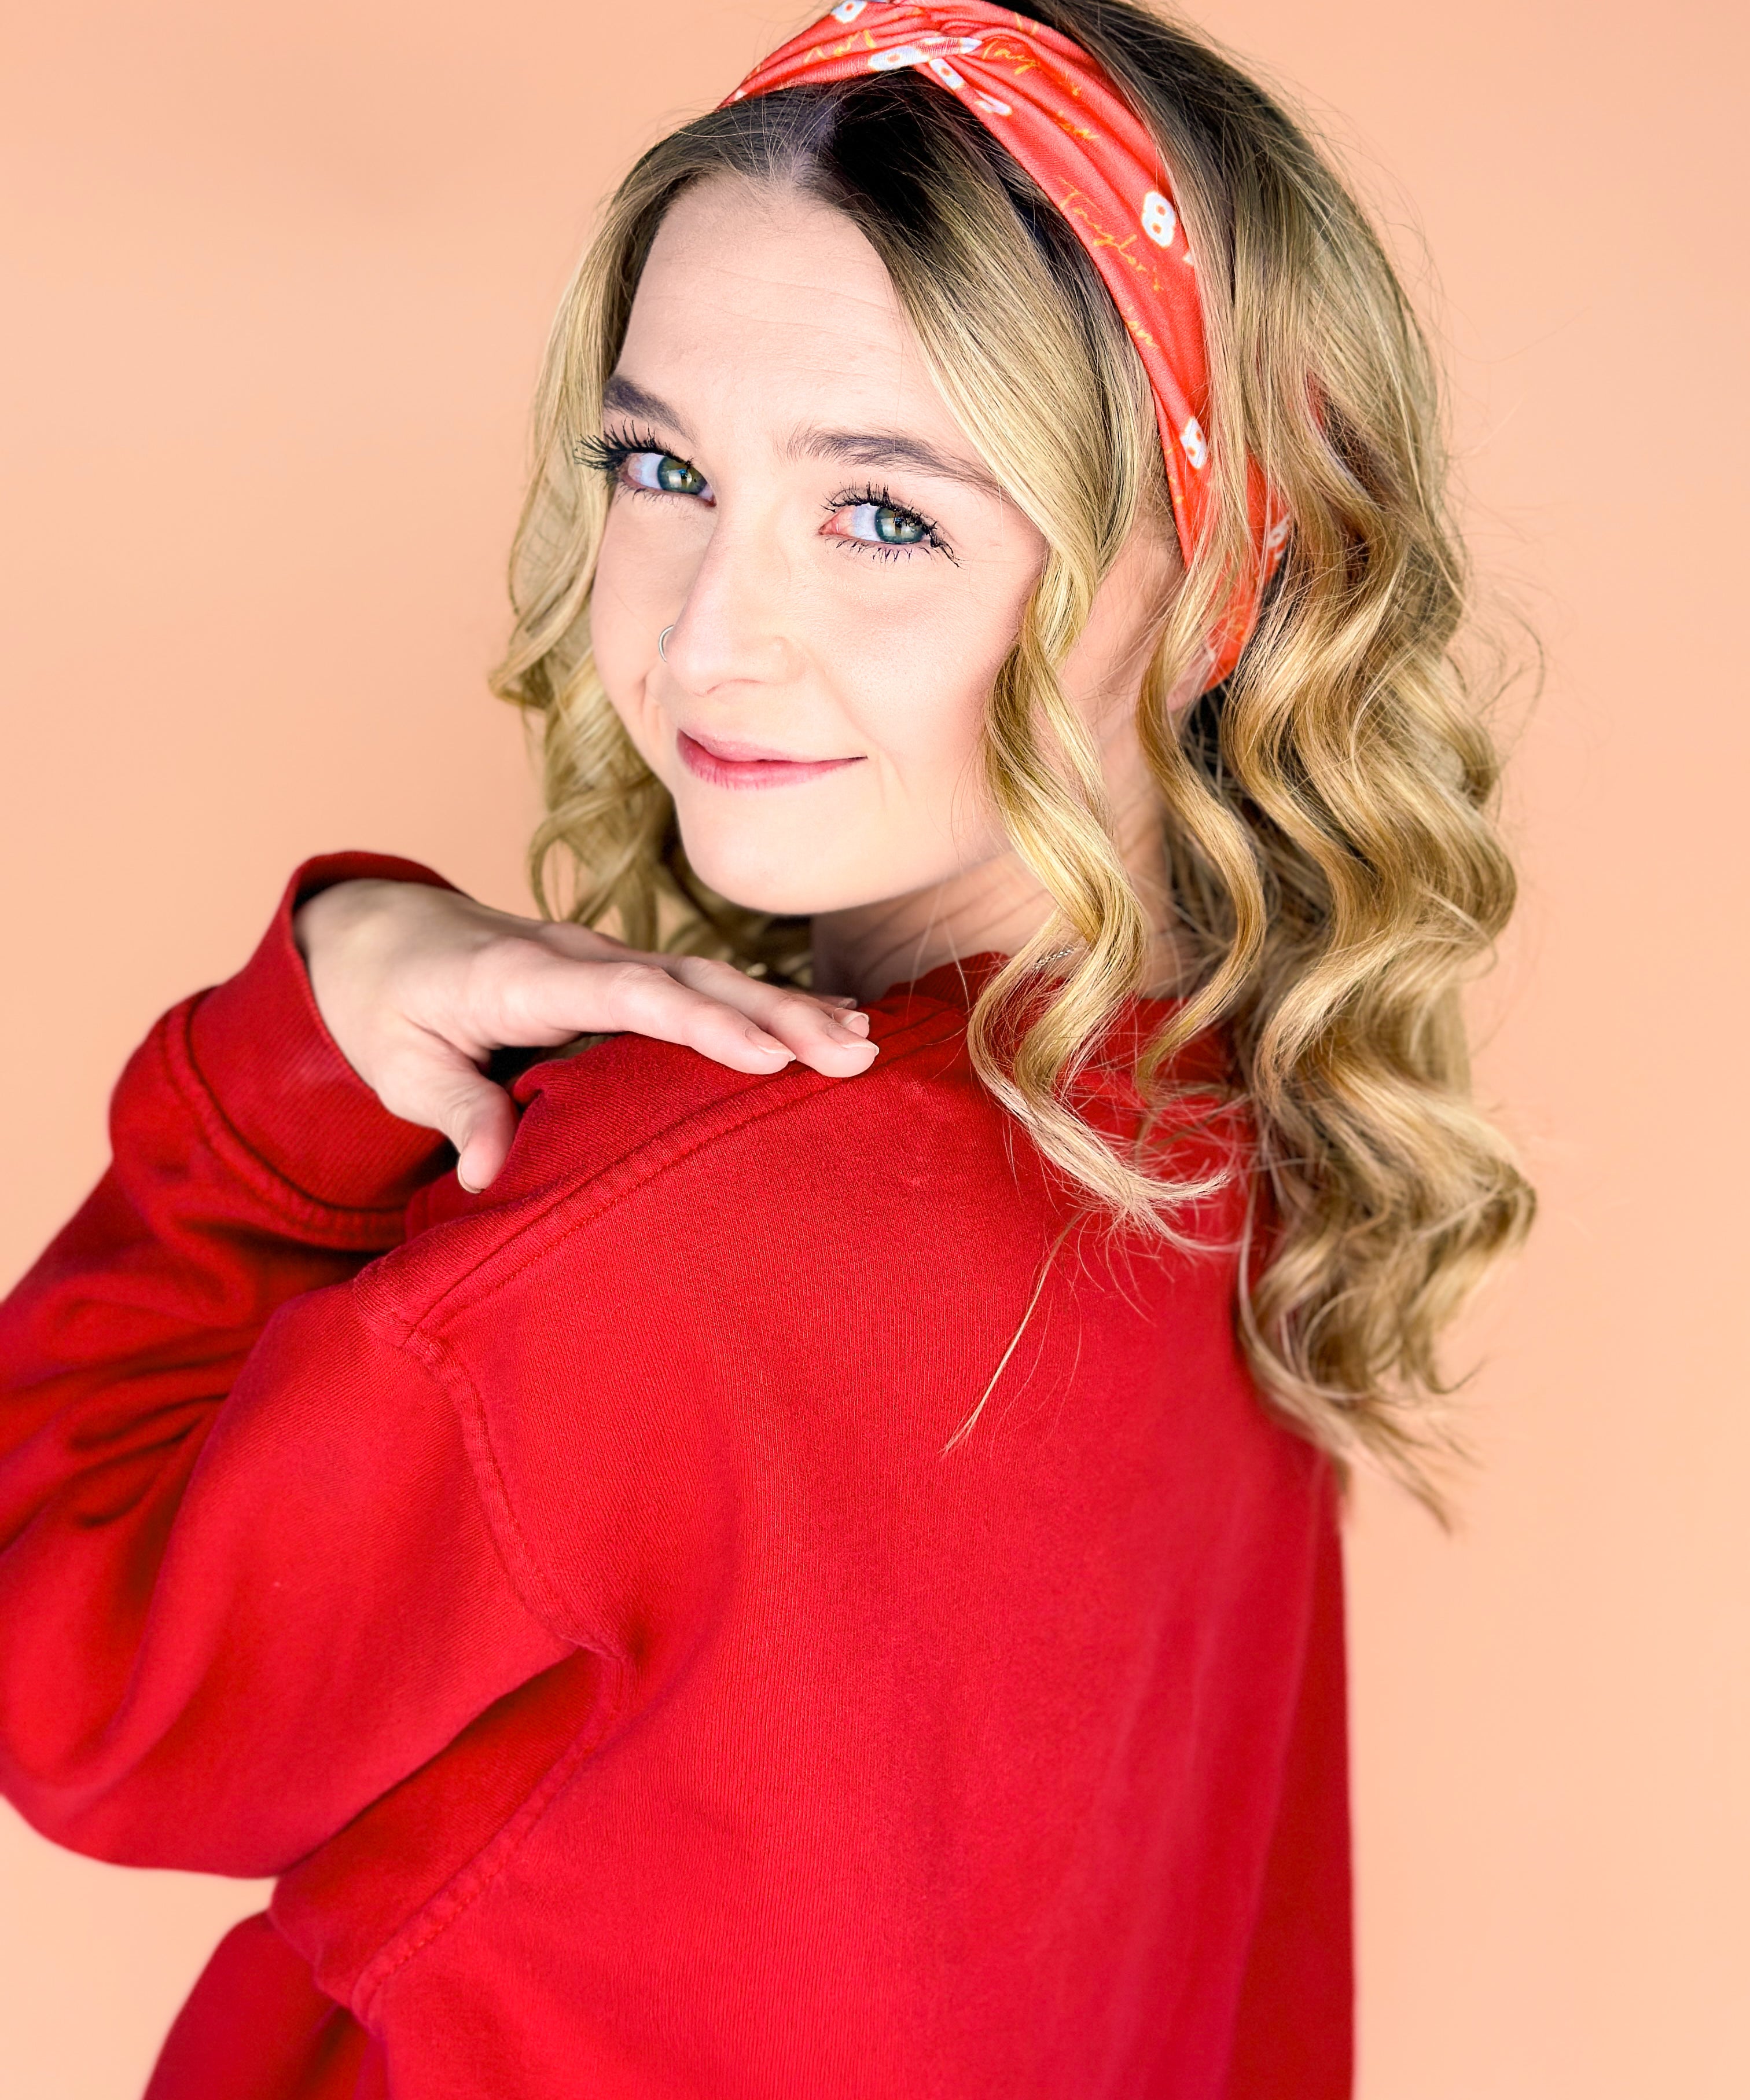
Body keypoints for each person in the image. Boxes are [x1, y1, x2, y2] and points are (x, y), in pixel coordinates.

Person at [0, 2, 1532, 2094]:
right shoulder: (1221, 1148)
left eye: (883, 514)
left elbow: (77, 1692)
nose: (707, 632)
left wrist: (284, 1075)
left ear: (1218, 583)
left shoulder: (664, 1225)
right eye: (663, 468)